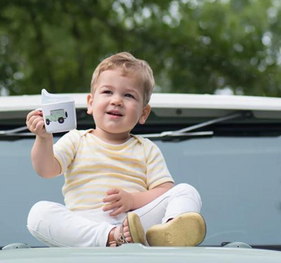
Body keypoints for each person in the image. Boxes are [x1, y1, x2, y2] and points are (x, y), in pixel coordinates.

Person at [25, 52, 206, 248]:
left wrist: (132, 200)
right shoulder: (76, 139)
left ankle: (170, 232)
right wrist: (43, 138)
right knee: (38, 214)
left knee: (186, 191)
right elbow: (46, 169)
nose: (117, 100)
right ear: (91, 103)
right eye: (107, 92)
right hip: (85, 226)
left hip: (135, 223)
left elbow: (164, 190)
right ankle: (111, 236)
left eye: (128, 95)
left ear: (143, 113)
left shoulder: (146, 148)